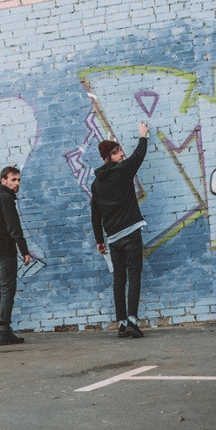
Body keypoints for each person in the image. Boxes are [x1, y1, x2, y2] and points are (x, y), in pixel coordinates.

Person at [91, 121, 149, 339]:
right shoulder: (122, 171)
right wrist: (143, 135)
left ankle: (122, 324)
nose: (121, 154)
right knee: (133, 275)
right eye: (116, 152)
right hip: (131, 232)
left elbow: (95, 215)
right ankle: (132, 321)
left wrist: (100, 239)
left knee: (119, 280)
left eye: (120, 149)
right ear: (108, 157)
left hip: (113, 238)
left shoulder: (96, 184)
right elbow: (139, 155)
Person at [0, 166, 31, 346]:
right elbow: (14, 229)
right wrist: (24, 251)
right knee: (7, 289)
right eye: (13, 180)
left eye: (18, 180)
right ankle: (5, 332)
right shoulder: (6, 199)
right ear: (4, 180)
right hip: (3, 251)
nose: (17, 183)